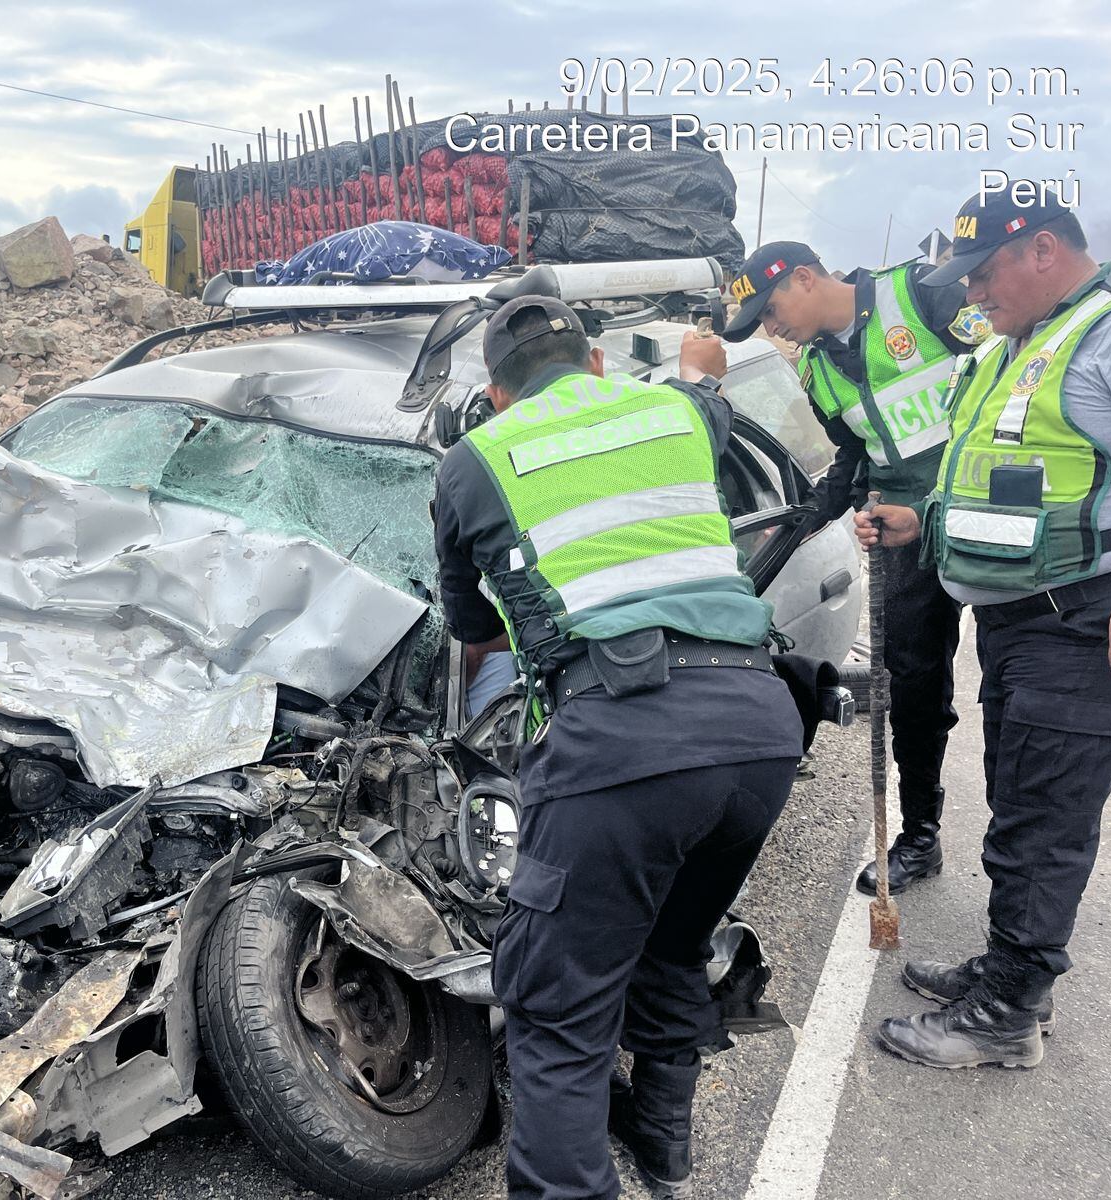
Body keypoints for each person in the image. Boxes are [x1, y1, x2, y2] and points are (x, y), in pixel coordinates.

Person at [432, 295, 803, 1197]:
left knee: (556, 1007)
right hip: (759, 726)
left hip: (622, 735)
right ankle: (663, 1142)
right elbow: (709, 397)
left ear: (496, 393)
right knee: (672, 941)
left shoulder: (473, 459)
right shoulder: (675, 412)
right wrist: (700, 368)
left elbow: (473, 628)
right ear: (595, 364)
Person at [857, 187, 1111, 1068]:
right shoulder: (1019, 344)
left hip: (1082, 626)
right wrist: (920, 523)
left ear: (1044, 249)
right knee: (1019, 807)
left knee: (1044, 823)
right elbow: (997, 477)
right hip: (1022, 625)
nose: (971, 293)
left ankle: (1009, 1014)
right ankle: (1008, 970)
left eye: (983, 274)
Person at [724, 241, 988, 896]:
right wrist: (800, 522)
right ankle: (920, 835)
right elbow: (852, 458)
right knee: (915, 691)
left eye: (771, 309)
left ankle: (1018, 853)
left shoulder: (924, 296)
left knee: (1017, 692)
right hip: (902, 536)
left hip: (989, 521)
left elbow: (1006, 390)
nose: (773, 327)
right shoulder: (816, 370)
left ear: (805, 278)